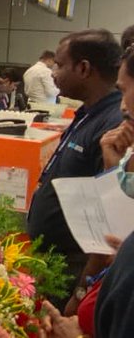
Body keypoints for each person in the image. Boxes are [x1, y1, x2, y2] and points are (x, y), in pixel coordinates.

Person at [39, 50, 134, 337]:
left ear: (83, 68)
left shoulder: (109, 122)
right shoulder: (105, 131)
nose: (124, 106)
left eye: (126, 91)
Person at [27, 29, 124, 307]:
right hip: (56, 263)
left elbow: (108, 222)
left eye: (59, 65)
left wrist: (80, 294)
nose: (53, 73)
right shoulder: (88, 113)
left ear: (83, 69)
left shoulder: (112, 124)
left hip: (74, 269)